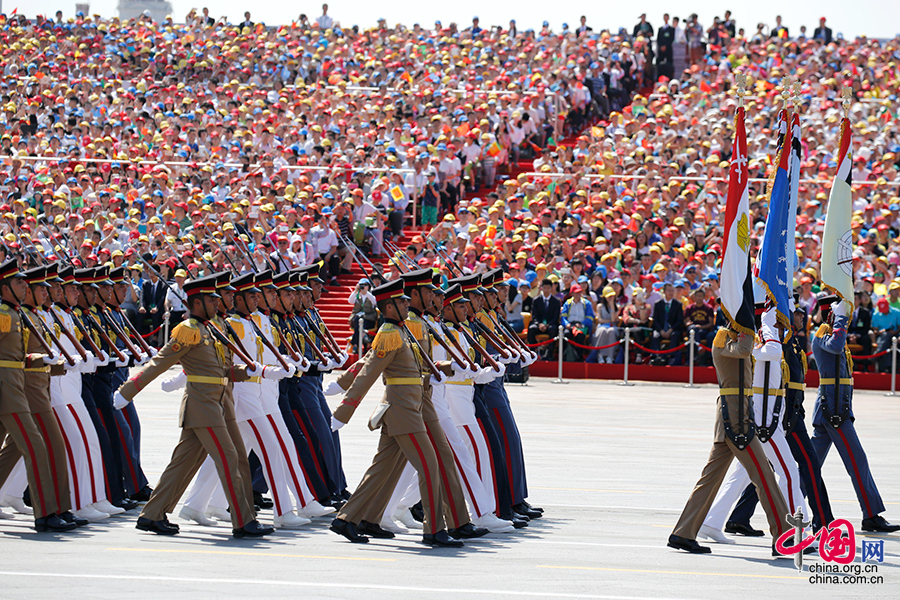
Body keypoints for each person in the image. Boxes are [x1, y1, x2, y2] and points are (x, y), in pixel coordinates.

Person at [115, 273, 273, 538]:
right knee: (229, 457)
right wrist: (129, 390)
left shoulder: (212, 328)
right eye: (213, 299)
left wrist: (251, 372)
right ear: (197, 303)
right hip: (204, 406)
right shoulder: (189, 329)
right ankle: (243, 521)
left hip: (222, 403)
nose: (218, 303)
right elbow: (160, 362)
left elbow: (220, 370)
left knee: (184, 463)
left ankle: (152, 515)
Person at [329, 278, 466, 547]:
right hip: (403, 411)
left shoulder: (403, 331)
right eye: (401, 301)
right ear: (389, 307)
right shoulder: (389, 333)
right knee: (430, 465)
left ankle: (350, 520)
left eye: (406, 300)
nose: (407, 304)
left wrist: (443, 369)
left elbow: (413, 369)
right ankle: (434, 530)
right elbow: (368, 373)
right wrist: (343, 412)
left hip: (410, 407)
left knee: (382, 470)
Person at [669, 321, 789, 555]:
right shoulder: (723, 339)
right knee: (764, 476)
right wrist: (746, 329)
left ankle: (683, 533)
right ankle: (784, 537)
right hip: (735, 420)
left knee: (710, 479)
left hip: (736, 416)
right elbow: (744, 350)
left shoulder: (736, 338)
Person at [0, 260, 78, 532]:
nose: (25, 286)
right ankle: (46, 514)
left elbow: (18, 357)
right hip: (7, 390)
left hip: (15, 386)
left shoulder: (16, 313)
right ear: (5, 287)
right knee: (36, 446)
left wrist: (51, 364)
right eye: (19, 282)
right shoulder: (3, 314)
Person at [810, 296, 900, 532]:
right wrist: (840, 318)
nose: (847, 319)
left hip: (836, 408)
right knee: (857, 461)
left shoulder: (832, 333)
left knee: (805, 465)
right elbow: (836, 346)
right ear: (830, 313)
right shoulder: (822, 334)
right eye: (842, 314)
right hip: (834, 411)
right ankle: (870, 514)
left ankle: (749, 510)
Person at [650, 283, 684, 365]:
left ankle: (671, 357)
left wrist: (670, 330)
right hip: (661, 329)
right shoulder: (658, 304)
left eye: (672, 291)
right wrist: (661, 330)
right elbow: (656, 320)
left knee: (675, 335)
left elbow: (679, 320)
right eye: (669, 291)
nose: (671, 293)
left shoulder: (678, 304)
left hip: (673, 329)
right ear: (664, 292)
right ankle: (656, 357)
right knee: (655, 336)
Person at [527, 278, 560, 357]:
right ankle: (533, 352)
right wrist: (539, 324)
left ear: (551, 288)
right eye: (544, 287)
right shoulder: (536, 300)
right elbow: (534, 316)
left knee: (553, 329)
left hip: (550, 324)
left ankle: (550, 354)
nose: (546, 290)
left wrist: (547, 325)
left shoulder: (556, 301)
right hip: (539, 324)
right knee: (531, 328)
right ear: (541, 288)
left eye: (548, 288)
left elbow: (556, 316)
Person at [561, 284, 594, 361]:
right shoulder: (568, 303)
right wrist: (566, 324)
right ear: (572, 293)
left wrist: (582, 324)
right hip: (570, 325)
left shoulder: (587, 303)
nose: (578, 295)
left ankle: (579, 357)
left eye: (579, 292)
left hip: (581, 325)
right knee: (566, 334)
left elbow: (590, 317)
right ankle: (565, 355)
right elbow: (563, 317)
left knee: (580, 336)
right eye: (576, 293)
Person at [348, 278, 377, 354]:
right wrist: (355, 291)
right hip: (357, 318)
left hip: (368, 318)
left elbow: (374, 301)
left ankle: (355, 344)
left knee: (359, 325)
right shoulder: (357, 295)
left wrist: (366, 293)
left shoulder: (371, 294)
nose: (363, 287)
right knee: (358, 322)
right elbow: (350, 301)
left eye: (365, 285)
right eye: (362, 285)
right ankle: (364, 336)